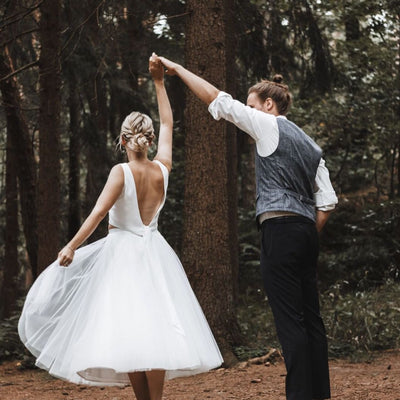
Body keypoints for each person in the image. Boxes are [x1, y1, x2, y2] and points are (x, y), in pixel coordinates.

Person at [18, 54, 223, 400]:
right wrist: (159, 83)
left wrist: (71, 246)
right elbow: (170, 125)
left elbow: (98, 214)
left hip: (124, 257)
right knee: (154, 331)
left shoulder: (120, 172)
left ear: (124, 140)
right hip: (156, 255)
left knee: (129, 330)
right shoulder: (163, 169)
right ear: (148, 139)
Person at [157, 55, 338, 400]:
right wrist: (304, 234)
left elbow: (218, 100)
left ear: (268, 105)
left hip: (280, 230)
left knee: (290, 321)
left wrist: (179, 70)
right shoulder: (311, 145)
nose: (248, 110)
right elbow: (327, 202)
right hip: (305, 231)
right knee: (311, 318)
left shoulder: (267, 124)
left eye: (252, 105)